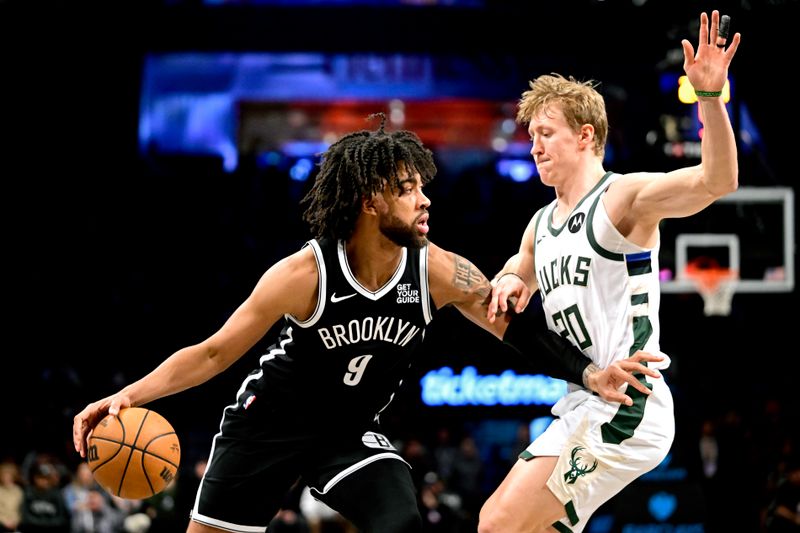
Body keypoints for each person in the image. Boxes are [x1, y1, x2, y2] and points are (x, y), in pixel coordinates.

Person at [73, 114, 662, 533]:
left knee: (399, 518)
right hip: (268, 425)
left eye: (422, 186)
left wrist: (590, 375)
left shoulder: (436, 269)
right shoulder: (304, 273)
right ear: (370, 202)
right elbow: (211, 354)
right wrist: (128, 394)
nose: (425, 199)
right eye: (408, 189)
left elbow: (516, 328)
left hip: (347, 429)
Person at [479, 9, 741, 533]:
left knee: (497, 524)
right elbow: (519, 266)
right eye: (530, 135)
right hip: (584, 398)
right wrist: (510, 277)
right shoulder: (541, 222)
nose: (533, 146)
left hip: (628, 402)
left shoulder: (622, 198)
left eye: (546, 134)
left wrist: (709, 98)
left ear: (584, 135)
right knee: (525, 527)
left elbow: (718, 180)